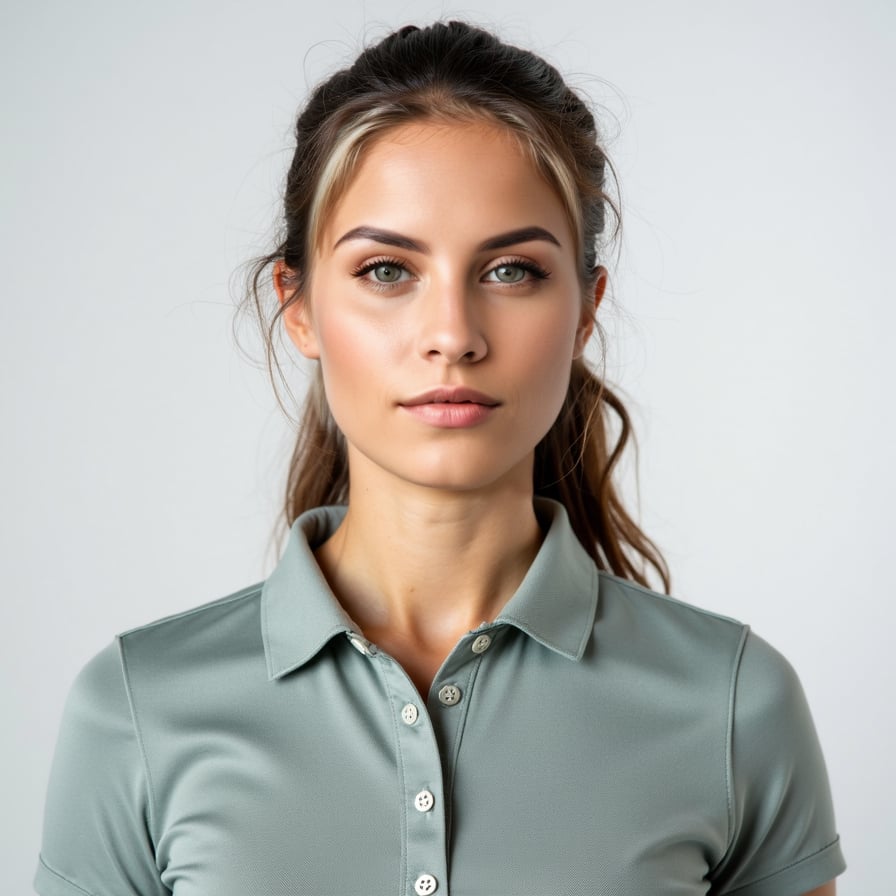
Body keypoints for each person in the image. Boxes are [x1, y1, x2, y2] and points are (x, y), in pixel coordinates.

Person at [34, 20, 845, 896]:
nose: (452, 336)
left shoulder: (731, 706)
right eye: (387, 270)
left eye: (511, 272)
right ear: (297, 305)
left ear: (584, 311)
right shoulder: (138, 709)